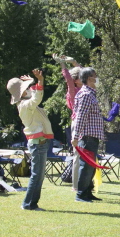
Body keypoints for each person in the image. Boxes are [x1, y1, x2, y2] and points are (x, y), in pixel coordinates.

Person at [7, 69, 53, 210]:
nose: (28, 89)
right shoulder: (26, 105)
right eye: (25, 88)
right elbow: (37, 97)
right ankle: (28, 204)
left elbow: (34, 94)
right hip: (38, 143)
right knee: (36, 176)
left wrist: (31, 81)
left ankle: (30, 203)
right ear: (22, 93)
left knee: (38, 176)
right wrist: (39, 80)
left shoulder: (24, 102)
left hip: (39, 142)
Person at [72, 67, 105, 203]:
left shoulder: (90, 94)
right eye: (95, 76)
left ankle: (87, 192)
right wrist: (75, 137)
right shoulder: (86, 94)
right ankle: (80, 194)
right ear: (90, 78)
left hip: (93, 136)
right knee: (86, 166)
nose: (97, 78)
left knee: (90, 166)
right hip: (87, 136)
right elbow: (80, 117)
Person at [53, 53, 82, 190]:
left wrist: (74, 62)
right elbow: (69, 80)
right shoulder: (73, 90)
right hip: (78, 122)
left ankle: (85, 183)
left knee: (86, 155)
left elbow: (88, 74)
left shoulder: (84, 88)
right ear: (77, 80)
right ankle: (76, 186)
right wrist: (62, 64)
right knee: (77, 155)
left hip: (85, 123)